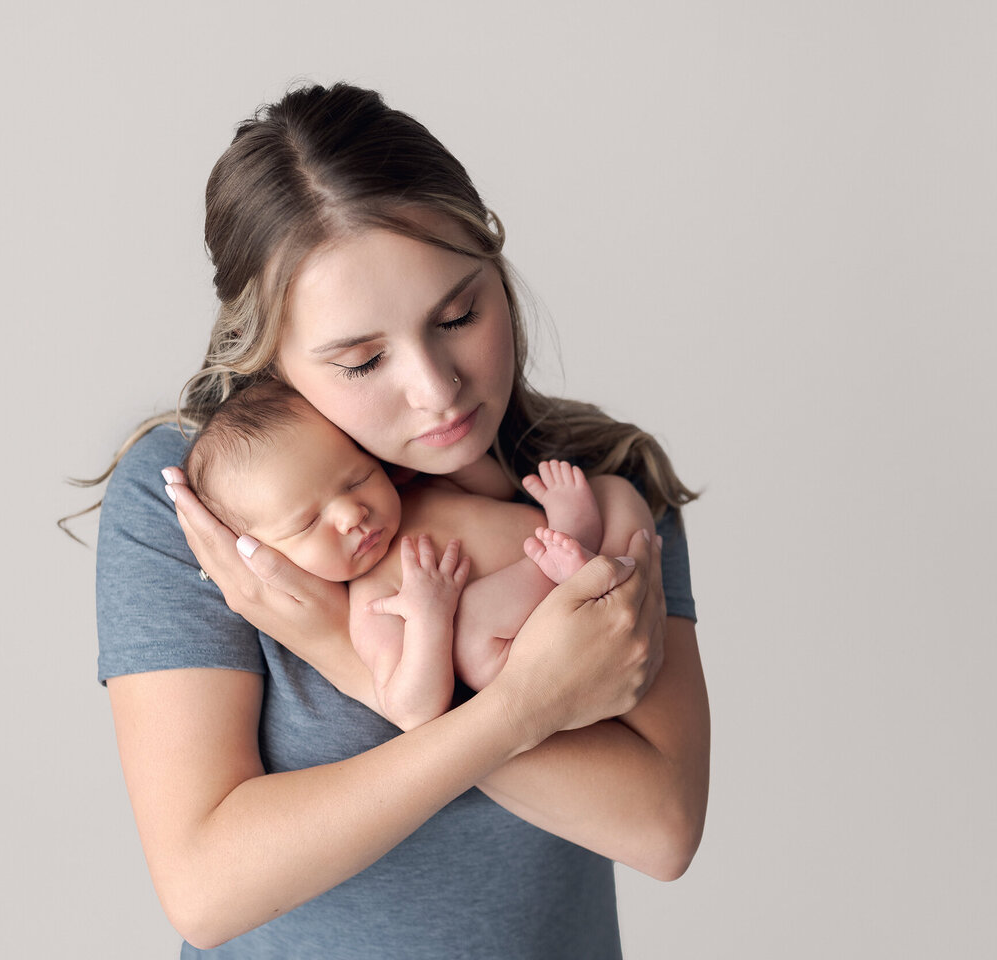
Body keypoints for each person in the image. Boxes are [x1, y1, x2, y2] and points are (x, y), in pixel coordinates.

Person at [93, 82, 709, 958]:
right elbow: (205, 886)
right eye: (362, 360)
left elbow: (662, 825)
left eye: (459, 314)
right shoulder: (206, 513)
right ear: (269, 355)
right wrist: (520, 709)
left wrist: (348, 654)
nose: (438, 391)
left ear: (496, 266)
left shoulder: (594, 485)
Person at [183, 379, 653, 729]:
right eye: (308, 523)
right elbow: (412, 708)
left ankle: (583, 552)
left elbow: (497, 491)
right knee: (467, 635)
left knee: (613, 491)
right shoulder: (374, 603)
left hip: (582, 581)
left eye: (357, 478)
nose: (352, 512)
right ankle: (574, 550)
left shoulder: (416, 487)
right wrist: (430, 616)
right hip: (531, 652)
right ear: (266, 557)